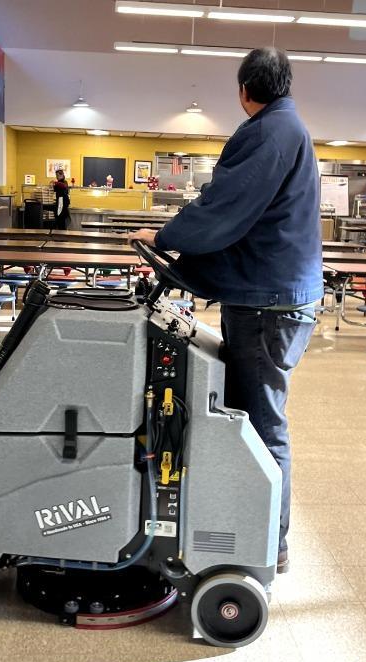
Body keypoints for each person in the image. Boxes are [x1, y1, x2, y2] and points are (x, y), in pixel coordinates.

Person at [128, 47, 323, 574]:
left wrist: (167, 235)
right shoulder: (291, 128)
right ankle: (252, 529)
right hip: (278, 296)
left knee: (261, 422)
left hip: (268, 304)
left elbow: (225, 207)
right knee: (253, 415)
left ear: (244, 91)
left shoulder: (268, 133)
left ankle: (267, 544)